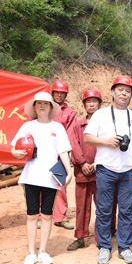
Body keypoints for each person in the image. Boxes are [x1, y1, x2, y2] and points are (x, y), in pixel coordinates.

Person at [84, 76, 132, 264]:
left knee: (127, 210)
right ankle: (104, 246)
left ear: (131, 95)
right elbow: (87, 137)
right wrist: (106, 141)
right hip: (106, 169)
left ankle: (125, 247)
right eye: (120, 90)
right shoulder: (101, 115)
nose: (124, 93)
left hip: (128, 171)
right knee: (104, 209)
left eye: (128, 91)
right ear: (112, 92)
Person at [11, 91, 73, 264]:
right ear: (35, 107)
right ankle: (31, 252)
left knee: (47, 215)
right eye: (39, 103)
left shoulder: (57, 128)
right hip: (31, 176)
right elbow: (14, 149)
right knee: (32, 215)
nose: (43, 106)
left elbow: (63, 151)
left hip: (51, 178)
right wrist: (16, 153)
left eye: (46, 103)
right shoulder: (28, 126)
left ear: (51, 107)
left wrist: (68, 172)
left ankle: (43, 251)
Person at [66, 88, 102, 251]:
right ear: (84, 104)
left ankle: (102, 237)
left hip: (101, 171)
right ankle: (80, 236)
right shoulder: (78, 125)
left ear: (99, 104)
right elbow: (73, 145)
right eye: (88, 101)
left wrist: (96, 163)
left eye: (94, 101)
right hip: (82, 172)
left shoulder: (105, 124)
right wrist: (82, 163)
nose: (92, 104)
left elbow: (108, 146)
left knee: (103, 205)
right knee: (82, 206)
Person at [50, 79, 77, 230]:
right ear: (52, 92)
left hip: (60, 153)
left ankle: (61, 217)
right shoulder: (44, 107)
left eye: (62, 93)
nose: (59, 95)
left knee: (61, 185)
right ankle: (41, 216)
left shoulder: (69, 113)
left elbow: (71, 134)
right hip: (44, 153)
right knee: (41, 184)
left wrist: (69, 154)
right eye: (57, 92)